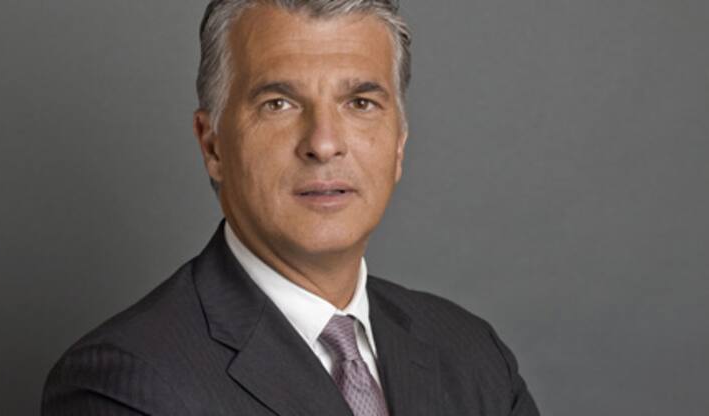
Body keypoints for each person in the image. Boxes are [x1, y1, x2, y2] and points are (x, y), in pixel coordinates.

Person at [41, 1, 540, 415]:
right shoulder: (123, 383)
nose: (323, 144)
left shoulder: (473, 354)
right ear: (213, 145)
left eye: (360, 103)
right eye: (278, 103)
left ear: (399, 147)